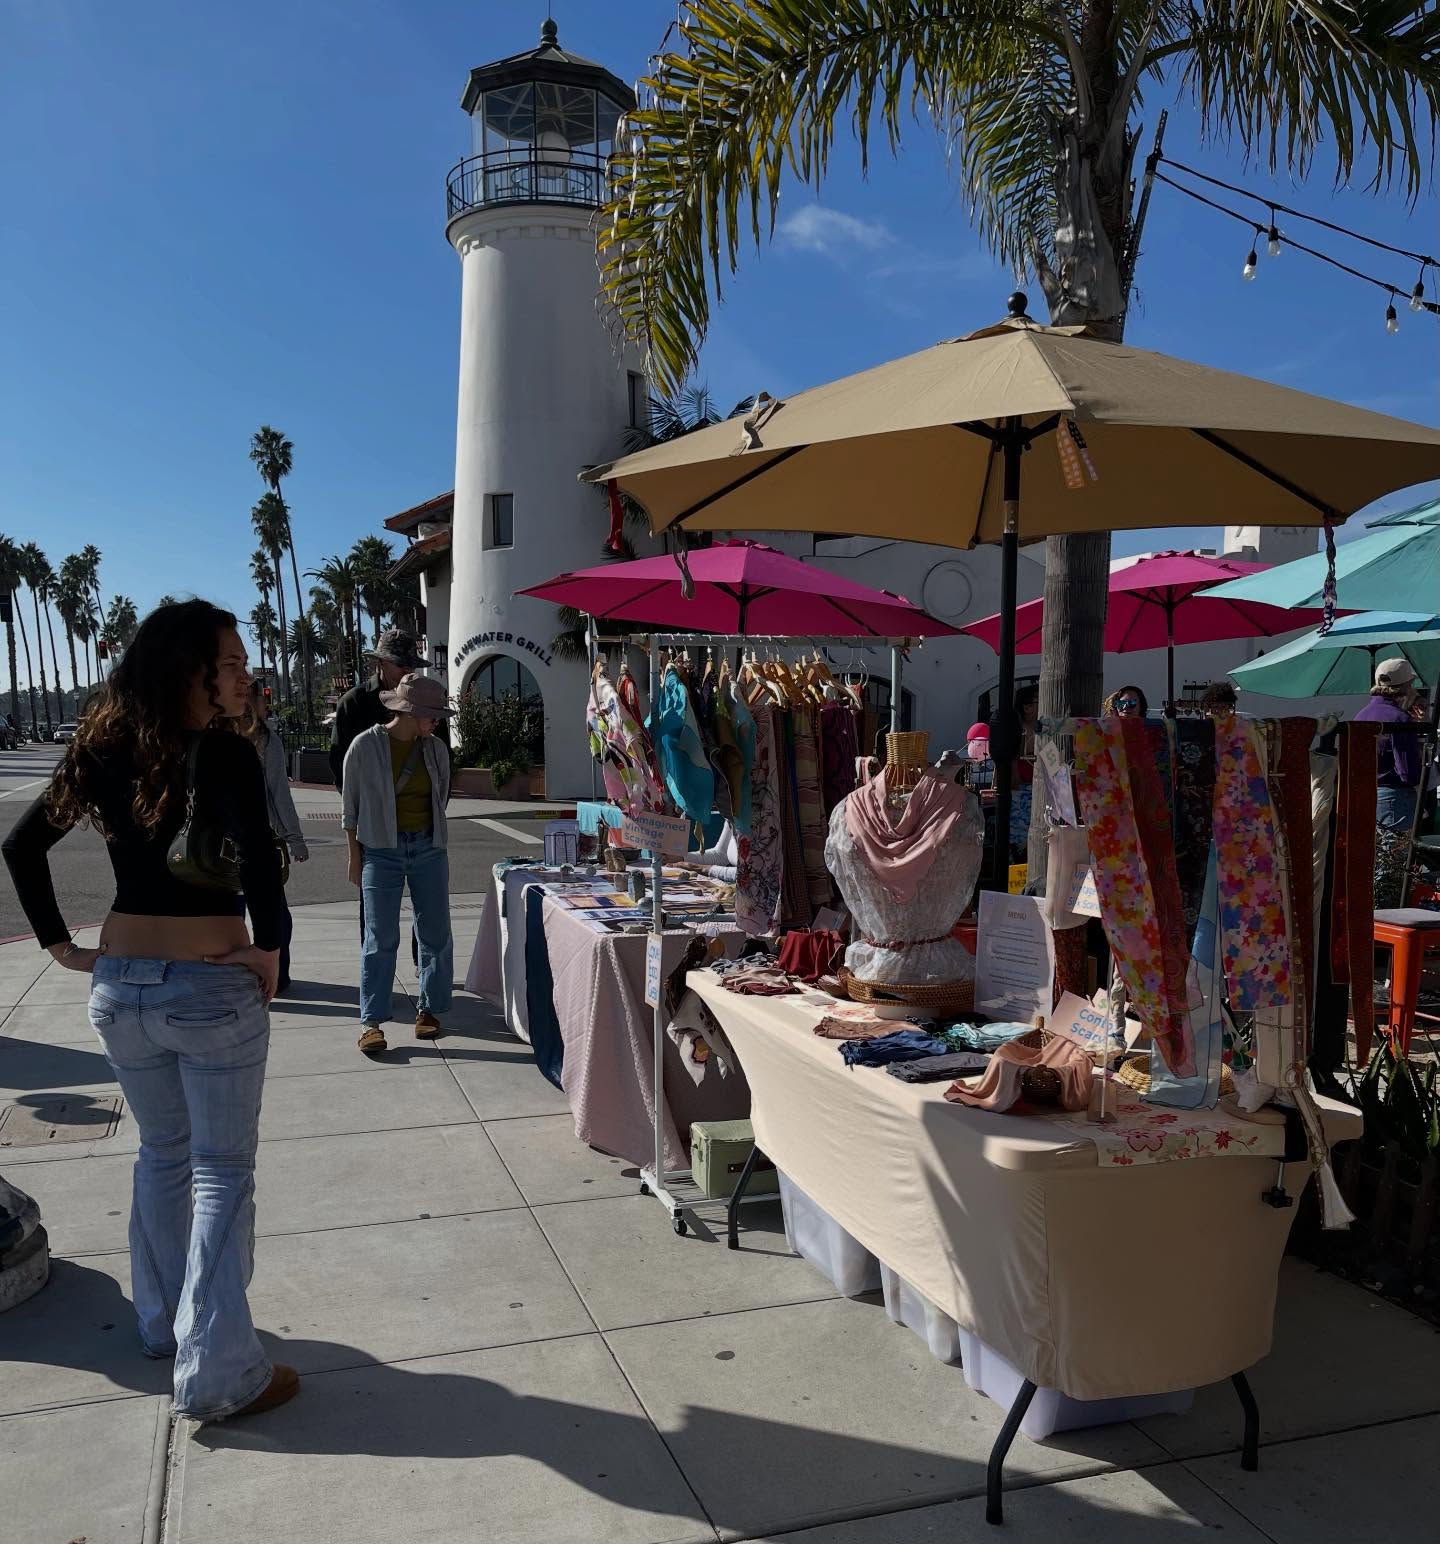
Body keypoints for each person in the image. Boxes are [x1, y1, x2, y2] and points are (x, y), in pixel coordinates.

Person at [1, 601, 295, 1422]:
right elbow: (264, 868)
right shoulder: (225, 753)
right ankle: (220, 1368)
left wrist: (63, 947)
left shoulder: (102, 747)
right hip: (205, 982)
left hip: (121, 984)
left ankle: (162, 1324)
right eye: (230, 663)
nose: (244, 675)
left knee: (163, 1156)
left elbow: (22, 846)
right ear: (189, 670)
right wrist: (268, 948)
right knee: (222, 1173)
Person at [342, 670, 454, 1056]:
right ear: (408, 712)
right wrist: (355, 857)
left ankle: (429, 1009)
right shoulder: (364, 747)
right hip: (380, 851)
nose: (436, 721)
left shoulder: (435, 748)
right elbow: (349, 810)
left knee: (435, 933)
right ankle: (371, 1021)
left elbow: (440, 798)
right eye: (431, 714)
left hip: (428, 848)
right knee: (380, 937)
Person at [239, 682, 308, 993]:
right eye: (263, 700)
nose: (268, 706)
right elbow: (280, 796)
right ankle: (277, 975)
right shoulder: (267, 741)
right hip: (260, 841)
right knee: (276, 915)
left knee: (232, 915)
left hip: (220, 843)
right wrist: (295, 839)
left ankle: (237, 975)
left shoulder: (214, 737)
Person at [1357, 657, 1424, 832]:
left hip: (1364, 795)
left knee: (1372, 856)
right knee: (1396, 858)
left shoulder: (1360, 716)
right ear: (1406, 687)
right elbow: (1407, 773)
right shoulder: (1399, 719)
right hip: (1394, 798)